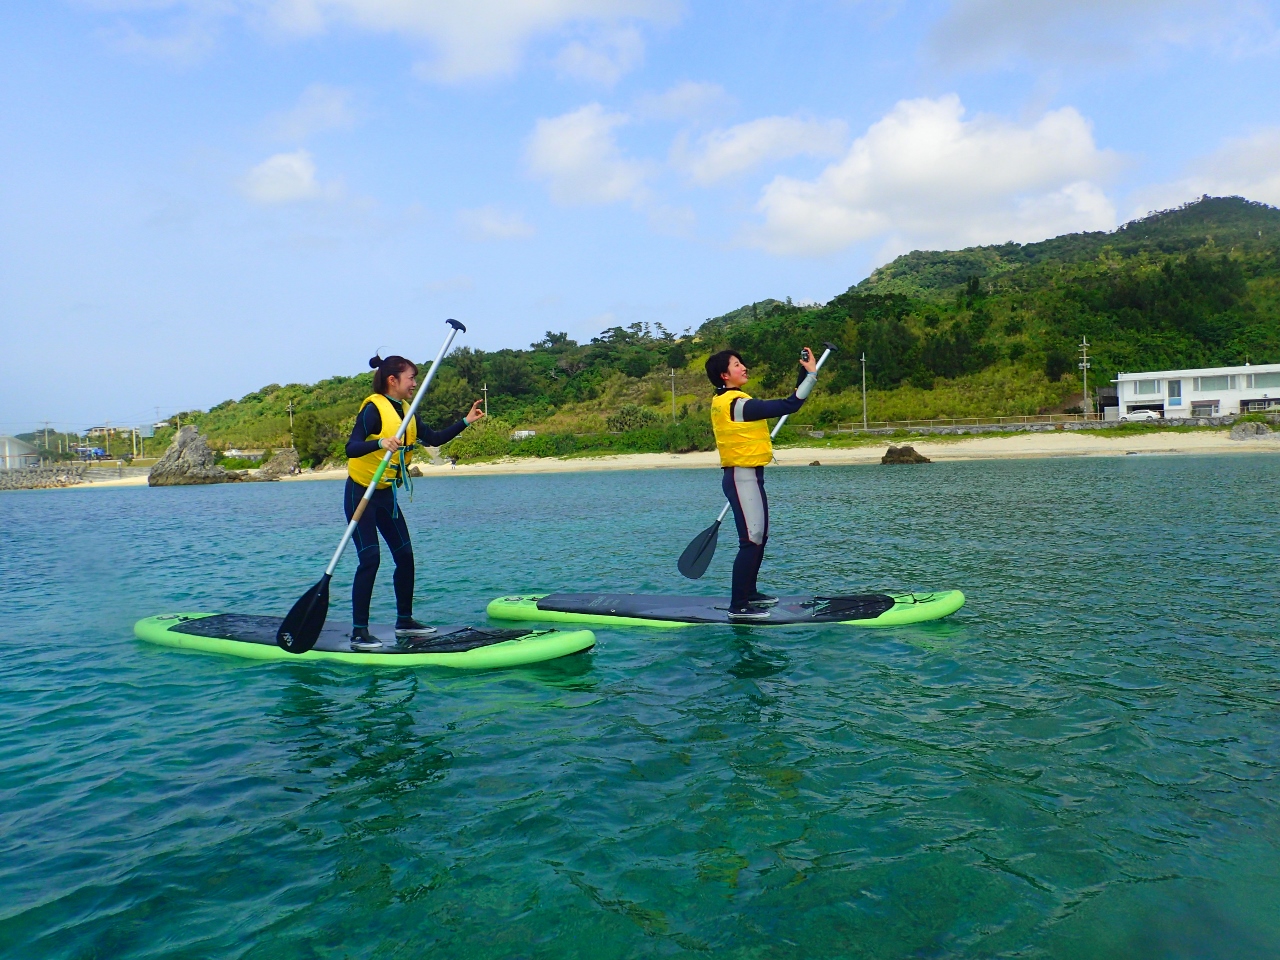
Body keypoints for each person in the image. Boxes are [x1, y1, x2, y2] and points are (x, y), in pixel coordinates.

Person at [343, 353, 484, 651]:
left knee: (405, 556)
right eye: (411, 378)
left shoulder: (408, 413)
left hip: (387, 495)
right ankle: (359, 631)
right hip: (361, 493)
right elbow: (351, 447)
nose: (414, 384)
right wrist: (379, 442)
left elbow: (434, 439)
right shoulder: (373, 410)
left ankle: (404, 621)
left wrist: (465, 421)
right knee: (370, 559)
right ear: (392, 380)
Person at [705, 345, 821, 621]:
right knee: (751, 540)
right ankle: (738, 605)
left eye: (741, 362)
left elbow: (789, 401)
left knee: (759, 538)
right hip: (741, 477)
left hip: (750, 476)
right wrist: (812, 376)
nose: (743, 367)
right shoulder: (736, 404)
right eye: (736, 365)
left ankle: (749, 593)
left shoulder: (732, 400)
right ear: (724, 375)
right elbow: (790, 405)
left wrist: (803, 373)